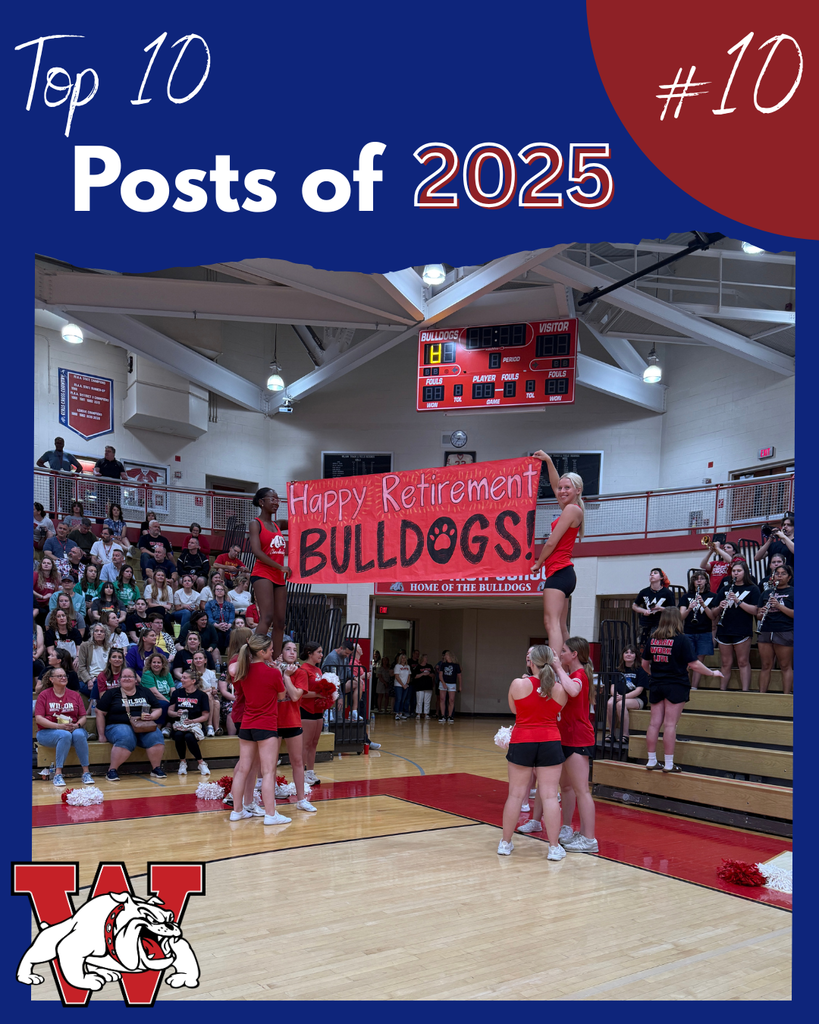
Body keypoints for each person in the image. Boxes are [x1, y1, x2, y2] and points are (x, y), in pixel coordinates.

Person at [498, 645, 580, 859]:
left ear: (530, 662)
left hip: (522, 740)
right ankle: (553, 848)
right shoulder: (560, 690)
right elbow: (557, 711)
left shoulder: (518, 684)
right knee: (551, 796)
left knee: (515, 795)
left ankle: (505, 843)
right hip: (550, 742)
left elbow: (515, 710)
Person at [227, 634, 301, 825]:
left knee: (243, 769)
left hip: (247, 724)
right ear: (262, 652)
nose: (273, 652)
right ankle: (270, 814)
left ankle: (237, 811)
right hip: (266, 724)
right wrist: (277, 672)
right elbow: (281, 695)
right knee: (268, 771)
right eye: (270, 650)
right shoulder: (273, 672)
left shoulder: (243, 671)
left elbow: (241, 693)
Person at [642, 607, 723, 773]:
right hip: (676, 684)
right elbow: (694, 664)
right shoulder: (681, 639)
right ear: (677, 620)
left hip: (657, 684)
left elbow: (644, 664)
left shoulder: (653, 639)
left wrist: (656, 674)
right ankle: (669, 764)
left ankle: (651, 761)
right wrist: (712, 672)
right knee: (670, 725)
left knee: (654, 724)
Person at [530, 451, 585, 655]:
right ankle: (573, 665)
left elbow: (551, 542)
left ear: (577, 490)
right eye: (561, 488)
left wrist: (538, 563)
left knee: (551, 623)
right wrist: (548, 461)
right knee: (560, 627)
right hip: (564, 574)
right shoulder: (571, 508)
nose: (561, 491)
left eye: (567, 488)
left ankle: (552, 670)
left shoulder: (571, 510)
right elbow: (554, 485)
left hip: (560, 572)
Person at [555, 637, 598, 853]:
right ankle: (567, 827)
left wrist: (556, 667)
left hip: (578, 738)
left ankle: (589, 839)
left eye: (563, 651)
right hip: (565, 738)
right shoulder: (572, 675)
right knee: (567, 787)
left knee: (582, 790)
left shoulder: (579, 675)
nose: (560, 654)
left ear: (574, 654)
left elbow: (572, 691)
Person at [95, 666, 167, 782]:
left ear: (135, 679)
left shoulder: (145, 691)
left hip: (143, 725)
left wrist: (152, 716)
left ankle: (156, 768)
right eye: (124, 677)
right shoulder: (111, 693)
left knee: (156, 736)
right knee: (126, 736)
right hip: (117, 725)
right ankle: (112, 770)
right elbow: (99, 712)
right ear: (119, 680)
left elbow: (157, 709)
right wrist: (101, 735)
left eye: (130, 677)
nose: (127, 679)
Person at [274, 640, 317, 812]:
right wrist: (279, 672)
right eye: (288, 649)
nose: (292, 652)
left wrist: (285, 677)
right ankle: (269, 800)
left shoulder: (300, 673)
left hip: (292, 721)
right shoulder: (272, 670)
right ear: (281, 653)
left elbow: (293, 696)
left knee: (298, 761)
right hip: (273, 721)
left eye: (294, 650)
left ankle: (301, 800)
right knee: (269, 763)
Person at [35, 666, 93, 787]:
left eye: (64, 676)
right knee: (64, 735)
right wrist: (58, 726)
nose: (63, 678)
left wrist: (77, 725)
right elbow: (39, 718)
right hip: (47, 732)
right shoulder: (44, 695)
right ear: (51, 679)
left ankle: (86, 772)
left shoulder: (75, 695)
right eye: (59, 676)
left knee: (79, 734)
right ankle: (58, 774)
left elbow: (83, 717)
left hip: (72, 729)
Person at [248, 487, 290, 655]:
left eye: (277, 499)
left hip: (278, 576)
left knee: (280, 621)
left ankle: (277, 659)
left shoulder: (277, 524)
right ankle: (251, 655)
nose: (276, 502)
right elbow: (256, 551)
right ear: (261, 502)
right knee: (267, 617)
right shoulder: (255, 523)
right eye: (272, 499)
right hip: (262, 573)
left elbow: (299, 520)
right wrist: (280, 566)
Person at [708, 560, 760, 692]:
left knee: (743, 661)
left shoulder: (753, 589)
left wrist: (738, 601)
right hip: (724, 629)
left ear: (745, 572)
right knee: (725, 663)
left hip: (742, 629)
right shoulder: (725, 589)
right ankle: (722, 690)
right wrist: (719, 607)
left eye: (739, 571)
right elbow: (713, 613)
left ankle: (745, 691)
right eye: (734, 571)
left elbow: (755, 611)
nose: (735, 574)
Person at [756, 564, 794, 695]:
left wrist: (778, 605)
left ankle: (786, 695)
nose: (779, 576)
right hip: (766, 630)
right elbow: (758, 615)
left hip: (784, 630)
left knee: (785, 665)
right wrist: (761, 612)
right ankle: (762, 694)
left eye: (783, 573)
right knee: (766, 665)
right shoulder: (766, 593)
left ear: (789, 577)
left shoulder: (793, 592)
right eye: (777, 573)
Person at [678, 570, 717, 689]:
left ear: (706, 581)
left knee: (698, 662)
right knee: (686, 661)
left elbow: (712, 617)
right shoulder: (686, 597)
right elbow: (680, 617)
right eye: (696, 579)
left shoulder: (712, 596)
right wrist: (689, 608)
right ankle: (684, 684)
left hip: (704, 632)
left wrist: (703, 604)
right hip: (689, 632)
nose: (699, 581)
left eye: (702, 578)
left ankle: (694, 687)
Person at [168, 669, 211, 776]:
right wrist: (176, 714)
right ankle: (182, 762)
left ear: (193, 681)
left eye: (184, 678)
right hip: (179, 724)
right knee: (178, 735)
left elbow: (205, 716)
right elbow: (170, 711)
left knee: (189, 736)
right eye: (182, 677)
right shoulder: (177, 693)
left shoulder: (202, 695)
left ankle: (201, 763)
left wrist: (192, 721)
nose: (181, 680)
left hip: (195, 724)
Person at [297, 641, 326, 787]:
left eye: (321, 652)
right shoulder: (303, 670)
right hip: (306, 710)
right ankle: (301, 773)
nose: (321, 655)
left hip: (318, 710)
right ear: (310, 653)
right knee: (306, 744)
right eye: (319, 652)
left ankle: (310, 772)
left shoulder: (318, 670)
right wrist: (319, 695)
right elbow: (302, 693)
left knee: (314, 743)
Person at [605, 644, 649, 741]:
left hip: (637, 699)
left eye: (632, 653)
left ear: (636, 656)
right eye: (626, 652)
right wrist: (615, 694)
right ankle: (612, 734)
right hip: (619, 696)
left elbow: (639, 690)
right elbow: (613, 687)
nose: (629, 654)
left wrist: (623, 697)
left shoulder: (640, 670)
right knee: (610, 703)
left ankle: (625, 735)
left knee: (621, 704)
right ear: (623, 655)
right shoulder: (618, 670)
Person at [631, 568, 675, 647]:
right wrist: (644, 611)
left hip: (660, 624)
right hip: (645, 624)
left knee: (656, 646)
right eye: (651, 573)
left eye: (655, 573)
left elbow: (673, 610)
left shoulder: (667, 593)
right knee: (642, 647)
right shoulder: (644, 592)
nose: (652, 575)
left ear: (661, 578)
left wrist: (661, 608)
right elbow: (634, 606)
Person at [191, 649, 220, 736]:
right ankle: (209, 725)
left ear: (205, 660)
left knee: (217, 702)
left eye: (200, 658)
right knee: (208, 695)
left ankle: (217, 728)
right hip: (195, 698)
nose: (198, 660)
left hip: (209, 697)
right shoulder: (191, 673)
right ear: (193, 661)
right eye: (196, 659)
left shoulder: (211, 673)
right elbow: (193, 691)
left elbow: (214, 688)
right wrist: (209, 690)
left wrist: (214, 691)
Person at [76, 623, 112, 692]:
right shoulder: (85, 646)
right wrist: (89, 680)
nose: (99, 633)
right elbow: (82, 667)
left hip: (105, 678)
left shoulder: (109, 648)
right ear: (92, 633)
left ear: (105, 634)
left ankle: (93, 701)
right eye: (96, 631)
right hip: (89, 678)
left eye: (102, 631)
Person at [205, 582, 235, 653]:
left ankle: (229, 654)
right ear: (214, 592)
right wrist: (217, 625)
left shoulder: (230, 605)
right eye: (217, 589)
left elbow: (232, 618)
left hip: (227, 627)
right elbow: (209, 618)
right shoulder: (209, 604)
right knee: (218, 634)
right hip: (214, 626)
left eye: (221, 589)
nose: (219, 591)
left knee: (229, 633)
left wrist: (229, 625)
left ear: (225, 592)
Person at [437, 650, 462, 723]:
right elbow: (440, 675)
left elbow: (459, 676)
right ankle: (442, 715)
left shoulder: (456, 665)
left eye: (447, 655)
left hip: (452, 683)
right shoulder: (443, 664)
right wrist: (443, 683)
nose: (445, 656)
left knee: (451, 700)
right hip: (443, 682)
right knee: (442, 699)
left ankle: (450, 716)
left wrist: (460, 686)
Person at [393, 654, 411, 720]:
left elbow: (409, 676)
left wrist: (406, 684)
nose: (403, 659)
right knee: (398, 699)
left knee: (403, 700)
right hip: (398, 685)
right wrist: (402, 685)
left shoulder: (408, 667)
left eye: (404, 658)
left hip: (405, 685)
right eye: (402, 658)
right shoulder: (397, 666)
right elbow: (397, 676)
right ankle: (396, 713)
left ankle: (401, 713)